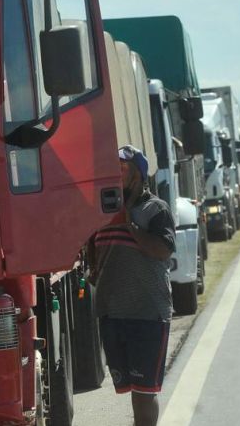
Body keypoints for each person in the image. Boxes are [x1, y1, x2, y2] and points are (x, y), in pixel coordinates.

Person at [88, 146, 175, 426]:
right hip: (112, 314)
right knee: (129, 389)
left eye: (122, 168)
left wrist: (131, 227)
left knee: (144, 392)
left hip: (148, 314)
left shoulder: (155, 209)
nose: (115, 173)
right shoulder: (102, 211)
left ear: (138, 173)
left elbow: (163, 249)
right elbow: (92, 245)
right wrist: (94, 268)